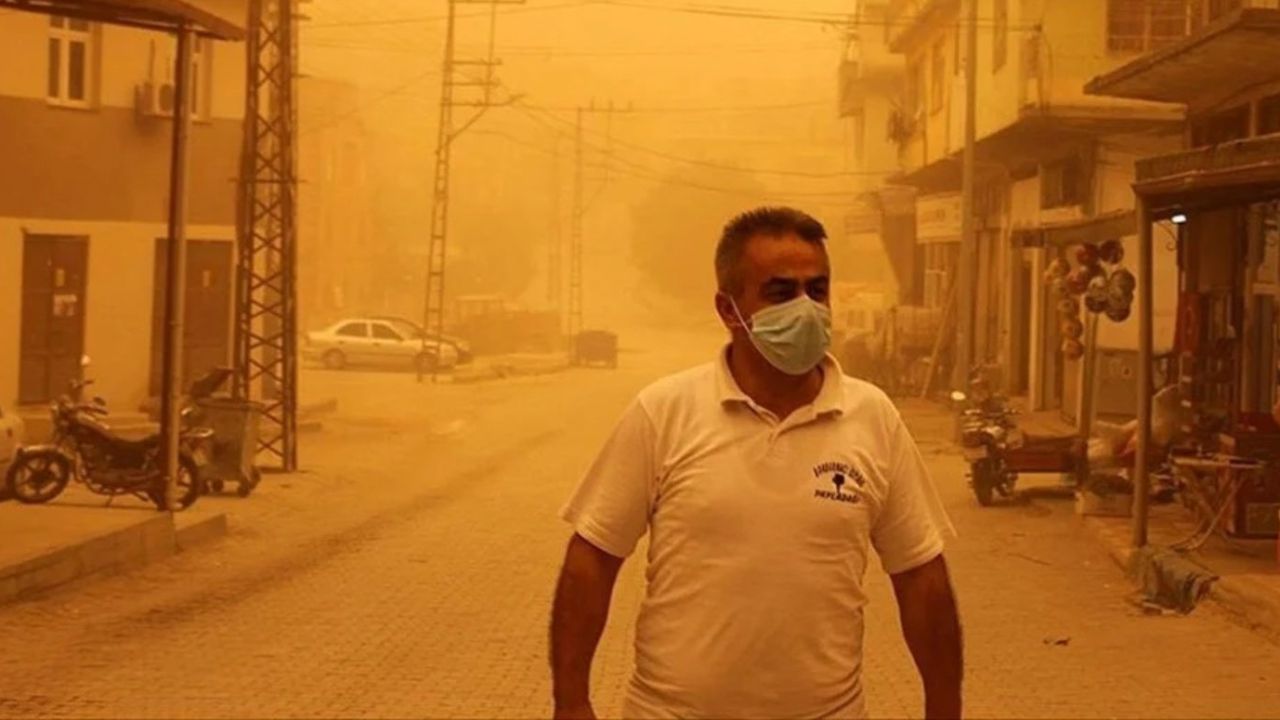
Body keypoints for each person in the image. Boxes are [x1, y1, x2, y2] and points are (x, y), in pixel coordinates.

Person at [549, 207, 963, 720]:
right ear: (728, 309)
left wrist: (945, 709)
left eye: (817, 289)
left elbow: (921, 576)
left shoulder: (872, 417)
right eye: (781, 292)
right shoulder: (664, 412)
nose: (806, 308)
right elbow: (591, 560)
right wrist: (571, 702)